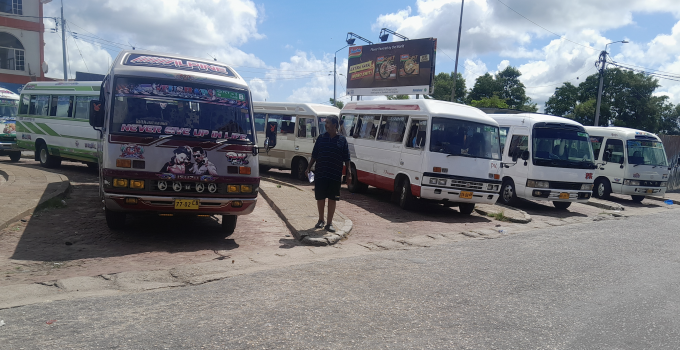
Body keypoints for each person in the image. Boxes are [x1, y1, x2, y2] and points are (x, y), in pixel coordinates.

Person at [305, 115, 351, 233]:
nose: (326, 125)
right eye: (325, 123)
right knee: (320, 197)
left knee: (332, 198)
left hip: (335, 174)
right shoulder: (321, 138)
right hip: (321, 173)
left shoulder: (342, 140)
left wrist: (349, 174)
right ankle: (321, 220)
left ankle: (329, 223)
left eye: (328, 123)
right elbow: (314, 155)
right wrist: (308, 168)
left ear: (335, 125)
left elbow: (347, 158)